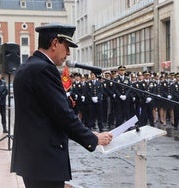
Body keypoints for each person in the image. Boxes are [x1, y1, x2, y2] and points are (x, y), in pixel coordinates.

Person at [10, 23, 113, 188]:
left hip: (33, 160)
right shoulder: (44, 69)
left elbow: (45, 114)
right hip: (44, 161)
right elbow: (62, 115)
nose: (69, 53)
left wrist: (88, 132)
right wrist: (93, 139)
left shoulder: (29, 66)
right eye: (66, 46)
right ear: (54, 43)